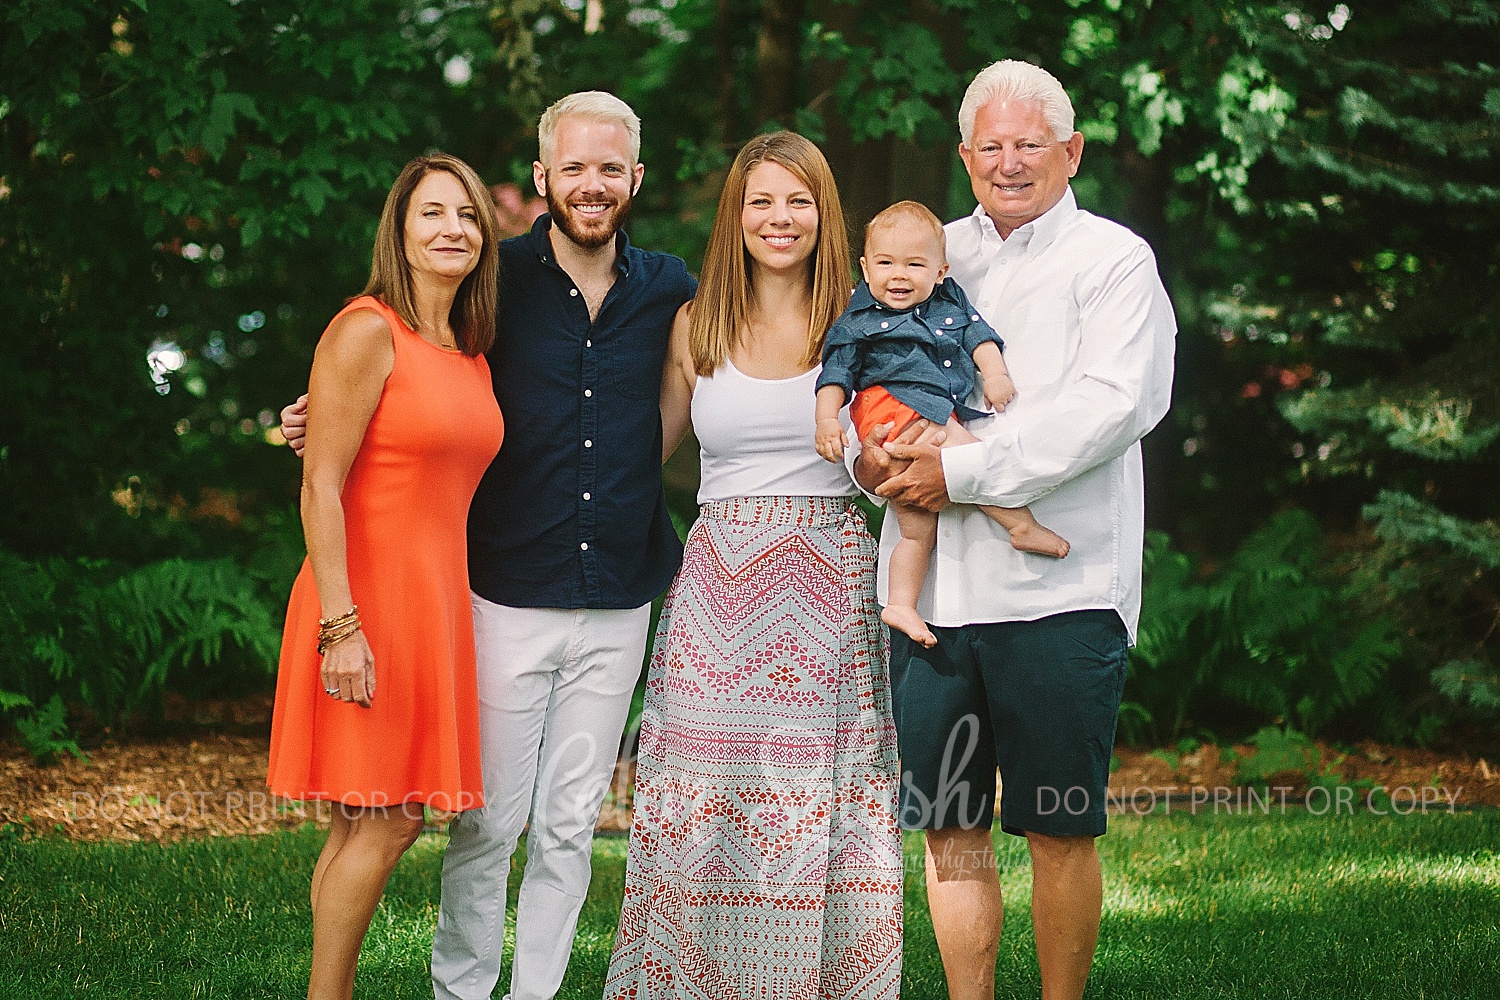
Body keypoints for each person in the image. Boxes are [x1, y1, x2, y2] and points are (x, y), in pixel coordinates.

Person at [282, 91, 696, 1000]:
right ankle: (462, 989)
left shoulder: (670, 286)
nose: (593, 185)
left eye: (611, 168)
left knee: (570, 824)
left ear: (637, 178)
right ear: (544, 178)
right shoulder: (490, 282)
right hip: (501, 591)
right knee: (487, 821)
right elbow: (400, 372)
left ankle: (535, 992)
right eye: (574, 168)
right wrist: (310, 418)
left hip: (623, 593)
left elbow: (692, 390)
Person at [851, 60, 1176, 1000]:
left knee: (1059, 824)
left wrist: (961, 466)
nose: (1011, 161)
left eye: (1031, 143)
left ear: (1071, 151)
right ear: (964, 157)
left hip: (1063, 596)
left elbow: (1112, 406)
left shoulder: (1113, 260)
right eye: (991, 146)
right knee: (949, 825)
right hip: (936, 599)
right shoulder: (922, 251)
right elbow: (859, 378)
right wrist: (871, 461)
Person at [604, 132, 904, 999]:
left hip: (828, 578)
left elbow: (905, 446)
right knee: (703, 797)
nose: (780, 219)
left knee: (813, 806)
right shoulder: (695, 324)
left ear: (825, 213)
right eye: (761, 201)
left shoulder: (861, 319)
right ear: (735, 215)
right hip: (719, 585)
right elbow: (641, 454)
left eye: (799, 201)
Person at [266, 152, 503, 1000]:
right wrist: (342, 626)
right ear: (399, 233)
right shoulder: (367, 327)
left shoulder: (468, 349)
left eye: (468, 215)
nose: (452, 230)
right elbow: (319, 482)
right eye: (432, 214)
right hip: (363, 602)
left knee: (364, 822)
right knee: (392, 817)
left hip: (431, 605)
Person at [813, 200, 1069, 648]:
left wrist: (996, 375)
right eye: (885, 263)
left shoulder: (949, 301)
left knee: (916, 526)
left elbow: (979, 337)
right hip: (891, 405)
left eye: (915, 264)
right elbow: (835, 373)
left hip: (922, 411)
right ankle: (1020, 525)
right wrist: (825, 421)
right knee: (969, 453)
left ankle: (901, 603)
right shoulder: (859, 319)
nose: (898, 275)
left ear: (940, 270)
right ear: (865, 267)